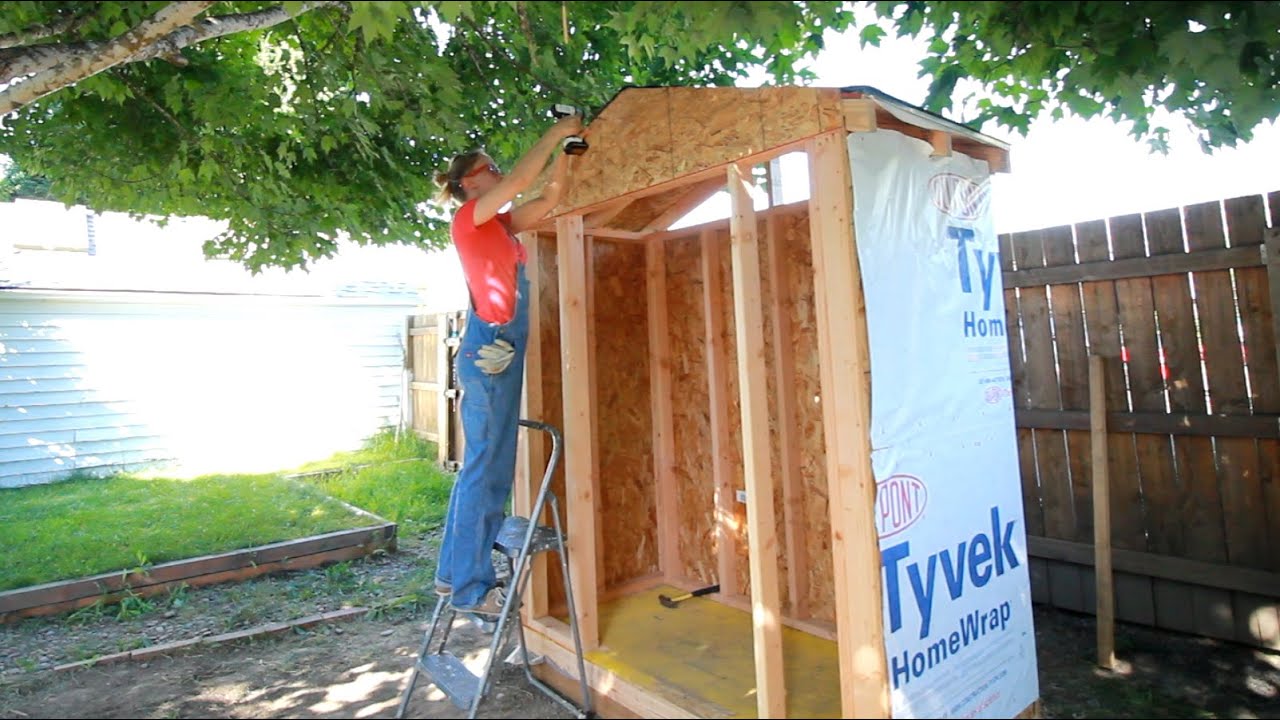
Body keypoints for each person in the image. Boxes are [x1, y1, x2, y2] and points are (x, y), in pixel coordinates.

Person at [430, 113, 583, 620]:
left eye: (496, 167)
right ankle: (473, 591)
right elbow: (522, 183)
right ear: (471, 182)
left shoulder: (497, 224)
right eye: (490, 168)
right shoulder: (469, 218)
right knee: (487, 472)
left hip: (498, 351)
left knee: (483, 468)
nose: (499, 174)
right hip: (490, 349)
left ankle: (453, 576)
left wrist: (570, 155)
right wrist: (556, 133)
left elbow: (549, 199)